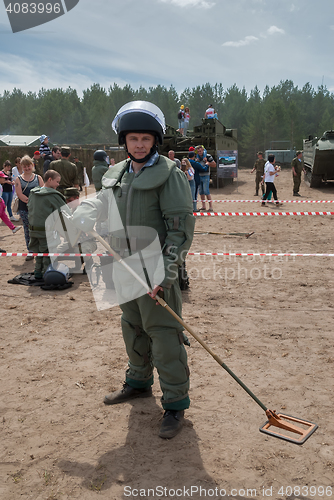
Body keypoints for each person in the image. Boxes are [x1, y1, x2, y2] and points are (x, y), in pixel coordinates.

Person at [72, 101, 195, 439]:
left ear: (155, 140)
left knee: (165, 335)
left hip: (154, 269)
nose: (139, 144)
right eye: (133, 139)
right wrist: (85, 208)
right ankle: (139, 382)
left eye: (145, 138)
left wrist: (167, 273)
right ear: (123, 141)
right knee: (133, 327)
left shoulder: (170, 174)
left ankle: (175, 404)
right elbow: (102, 202)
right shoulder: (116, 173)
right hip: (119, 264)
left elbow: (180, 230)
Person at [28, 170, 67, 279]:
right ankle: (47, 273)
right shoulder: (53, 195)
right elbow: (66, 213)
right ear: (50, 180)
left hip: (33, 230)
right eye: (57, 182)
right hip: (47, 231)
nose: (58, 185)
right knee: (48, 252)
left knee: (38, 252)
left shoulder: (33, 193)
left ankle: (37, 272)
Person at [15, 155, 44, 259]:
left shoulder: (38, 178)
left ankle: (40, 249)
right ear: (21, 167)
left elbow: (43, 191)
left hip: (38, 209)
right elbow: (19, 194)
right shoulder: (18, 179)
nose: (27, 168)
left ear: (32, 165)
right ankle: (30, 250)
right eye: (24, 166)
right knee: (28, 230)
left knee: (39, 229)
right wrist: (31, 202)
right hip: (24, 209)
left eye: (29, 166)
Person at [195, 145, 216, 211]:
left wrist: (208, 163)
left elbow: (214, 164)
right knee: (201, 192)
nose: (199, 152)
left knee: (206, 191)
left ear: (203, 150)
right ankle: (203, 206)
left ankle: (210, 207)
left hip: (206, 176)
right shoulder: (197, 157)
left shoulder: (208, 156)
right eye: (198, 151)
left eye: (200, 151)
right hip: (199, 175)